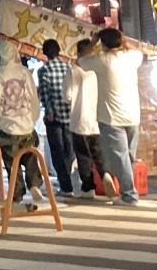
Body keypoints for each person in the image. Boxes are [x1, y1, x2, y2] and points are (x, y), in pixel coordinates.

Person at [79, 27, 144, 205]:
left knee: (120, 157)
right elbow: (138, 51)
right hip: (132, 115)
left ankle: (129, 195)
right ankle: (128, 191)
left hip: (111, 118)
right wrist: (123, 39)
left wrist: (93, 42)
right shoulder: (132, 57)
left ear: (103, 44)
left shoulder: (102, 60)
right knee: (128, 157)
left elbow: (81, 59)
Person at [0, 40, 43, 205]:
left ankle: (16, 192)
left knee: (12, 161)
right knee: (30, 153)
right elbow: (33, 95)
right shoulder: (24, 72)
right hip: (26, 123)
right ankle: (34, 183)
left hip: (8, 125)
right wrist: (33, 116)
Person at [64, 39, 107, 198]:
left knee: (83, 156)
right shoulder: (98, 70)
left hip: (79, 120)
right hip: (98, 119)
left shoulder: (72, 71)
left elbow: (67, 95)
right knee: (99, 154)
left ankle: (88, 189)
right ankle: (106, 176)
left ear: (77, 53)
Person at [37, 38, 75, 197]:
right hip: (70, 115)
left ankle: (65, 186)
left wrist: (49, 111)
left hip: (54, 117)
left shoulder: (43, 71)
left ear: (45, 53)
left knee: (57, 151)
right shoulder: (68, 68)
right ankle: (69, 181)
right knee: (69, 150)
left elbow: (45, 95)